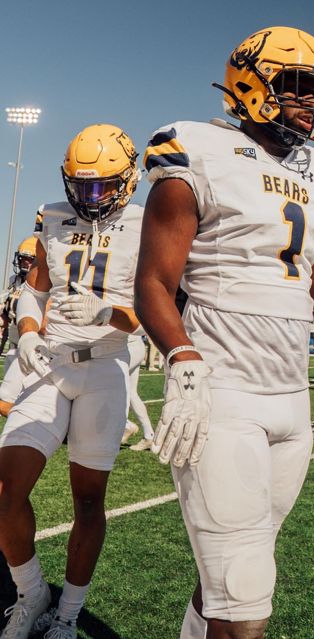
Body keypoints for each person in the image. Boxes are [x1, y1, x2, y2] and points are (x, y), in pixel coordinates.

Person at [134, 26, 314, 639]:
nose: (312, 102)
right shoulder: (195, 148)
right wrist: (182, 356)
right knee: (245, 595)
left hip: (293, 401)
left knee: (236, 572)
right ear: (250, 80)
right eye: (297, 86)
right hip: (223, 392)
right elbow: (154, 282)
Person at [0, 124, 143, 639]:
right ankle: (31, 592)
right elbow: (34, 292)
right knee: (4, 488)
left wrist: (109, 311)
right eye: (83, 187)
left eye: (104, 186)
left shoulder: (148, 225)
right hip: (51, 362)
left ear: (127, 180)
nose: (93, 197)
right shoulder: (54, 218)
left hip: (104, 366)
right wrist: (29, 332)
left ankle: (67, 614)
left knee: (87, 500)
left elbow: (152, 310)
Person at [0, 237, 37, 417]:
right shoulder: (14, 280)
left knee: (7, 402)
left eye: (30, 259)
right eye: (22, 258)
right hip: (14, 349)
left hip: (30, 350)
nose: (24, 262)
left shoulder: (42, 284)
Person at [120, 334, 155, 451]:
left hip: (126, 346)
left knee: (101, 386)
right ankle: (149, 435)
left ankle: (126, 425)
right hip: (136, 345)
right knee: (131, 393)